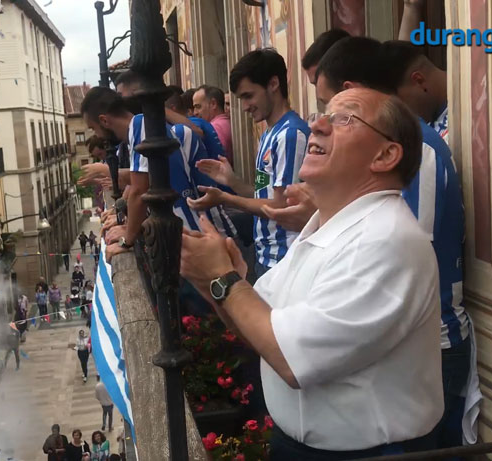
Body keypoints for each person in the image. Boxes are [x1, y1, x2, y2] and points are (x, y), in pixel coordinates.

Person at [180, 87, 443, 459]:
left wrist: (225, 280)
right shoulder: (327, 226)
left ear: (385, 155)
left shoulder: (386, 239)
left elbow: (289, 358)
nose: (317, 124)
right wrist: (214, 281)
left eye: (344, 118)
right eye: (323, 114)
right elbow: (261, 328)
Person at [313, 36, 474, 452]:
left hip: (422, 346)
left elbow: (397, 257)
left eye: (331, 109)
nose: (323, 124)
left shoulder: (413, 148)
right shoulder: (400, 144)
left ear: (351, 93)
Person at [189, 49, 310, 278]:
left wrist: (224, 197)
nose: (244, 107)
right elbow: (263, 195)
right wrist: (232, 181)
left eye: (248, 96)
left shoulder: (290, 135)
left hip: (284, 260)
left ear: (273, 84)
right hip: (267, 254)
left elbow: (281, 207)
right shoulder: (269, 134)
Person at [80, 87, 236, 261]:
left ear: (104, 120)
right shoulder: (142, 127)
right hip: (194, 235)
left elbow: (140, 190)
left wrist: (126, 242)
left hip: (198, 237)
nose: (98, 135)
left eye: (94, 128)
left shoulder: (140, 126)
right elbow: (141, 181)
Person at [381, 40, 449, 141]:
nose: (401, 116)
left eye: (400, 105)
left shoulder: (473, 109)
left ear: (419, 80)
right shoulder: (430, 117)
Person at [193, 85, 234, 165]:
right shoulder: (225, 123)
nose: (195, 112)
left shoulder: (215, 128)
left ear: (213, 104)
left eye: (198, 107)